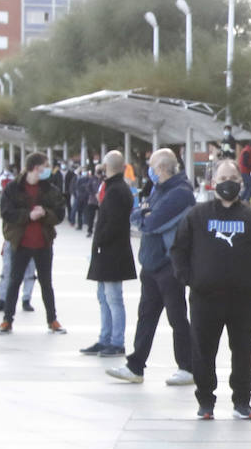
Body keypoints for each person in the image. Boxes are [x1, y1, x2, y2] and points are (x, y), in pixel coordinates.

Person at [171, 158, 251, 420]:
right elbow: (178, 250)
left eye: (232, 178)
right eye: (222, 179)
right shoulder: (197, 215)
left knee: (243, 352)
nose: (227, 183)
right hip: (204, 300)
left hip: (243, 301)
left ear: (241, 183)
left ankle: (242, 401)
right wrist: (190, 279)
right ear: (213, 183)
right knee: (203, 352)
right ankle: (205, 401)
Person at [107, 148, 196, 386]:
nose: (150, 172)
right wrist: (144, 214)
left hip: (170, 265)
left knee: (177, 316)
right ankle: (135, 365)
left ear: (162, 169)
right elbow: (137, 215)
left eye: (152, 167)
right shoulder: (158, 189)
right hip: (150, 263)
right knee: (146, 316)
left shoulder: (181, 193)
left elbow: (151, 223)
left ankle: (188, 367)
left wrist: (145, 215)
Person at [0, 153, 67, 336]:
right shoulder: (14, 188)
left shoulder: (49, 189)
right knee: (14, 281)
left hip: (43, 242)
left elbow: (59, 213)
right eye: (45, 166)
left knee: (46, 283)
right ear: (35, 168)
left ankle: (52, 320)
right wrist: (28, 215)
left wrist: (45, 213)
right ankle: (7, 320)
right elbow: (6, 212)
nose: (47, 169)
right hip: (21, 242)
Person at [81, 151, 137, 357]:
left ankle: (116, 341)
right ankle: (105, 338)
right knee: (104, 297)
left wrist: (100, 242)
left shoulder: (116, 191)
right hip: (109, 252)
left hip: (111, 253)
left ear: (107, 166)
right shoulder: (115, 188)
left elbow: (111, 224)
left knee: (113, 298)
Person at [0, 243, 36, 314]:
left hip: (30, 241)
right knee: (7, 272)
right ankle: (2, 300)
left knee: (29, 272)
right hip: (12, 240)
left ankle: (26, 300)